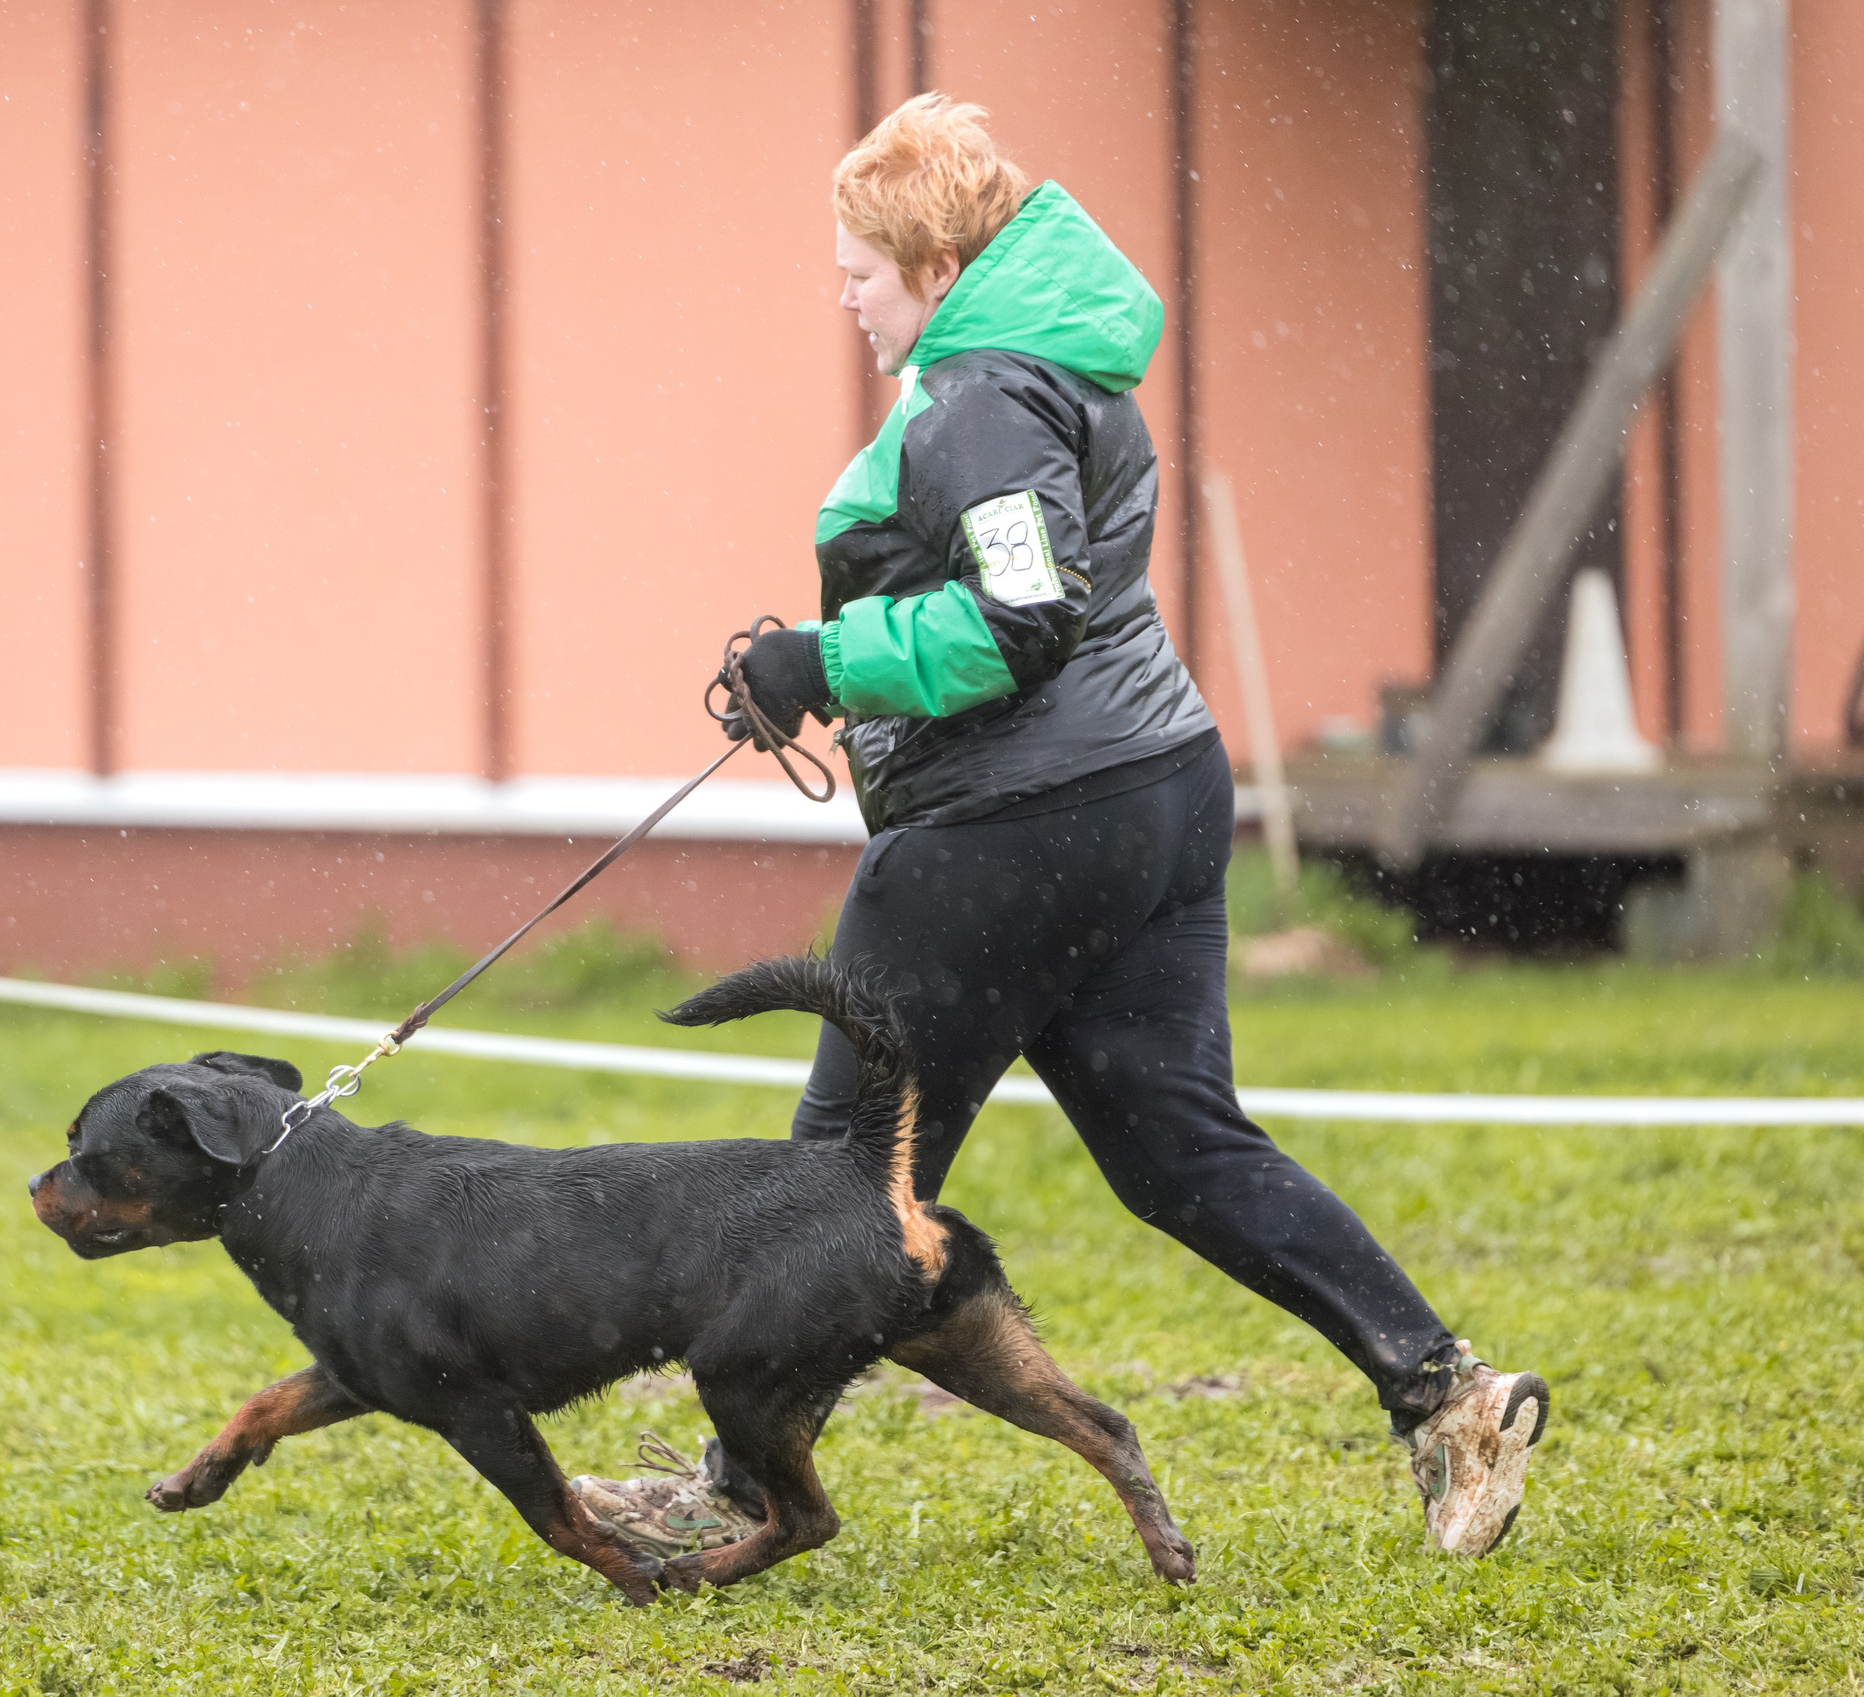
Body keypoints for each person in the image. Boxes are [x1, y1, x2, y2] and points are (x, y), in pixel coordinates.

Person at [586, 95, 1546, 1563]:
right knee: (1176, 1148)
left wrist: (818, 664)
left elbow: (1020, 619)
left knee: (846, 1179)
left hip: (1011, 831)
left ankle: (732, 1489)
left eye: (858, 265)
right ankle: (1445, 1394)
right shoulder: (1067, 367)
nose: (841, 291)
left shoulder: (982, 390)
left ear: (933, 261)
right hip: (1155, 790)